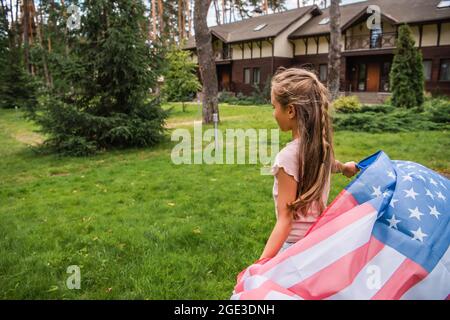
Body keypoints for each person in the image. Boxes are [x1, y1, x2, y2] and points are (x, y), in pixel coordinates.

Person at [259, 67, 359, 260]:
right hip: (317, 243)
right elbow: (331, 164)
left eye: (274, 107)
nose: (273, 113)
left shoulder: (287, 158)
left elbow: (285, 220)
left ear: (290, 111)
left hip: (293, 249)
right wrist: (345, 167)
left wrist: (260, 264)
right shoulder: (320, 148)